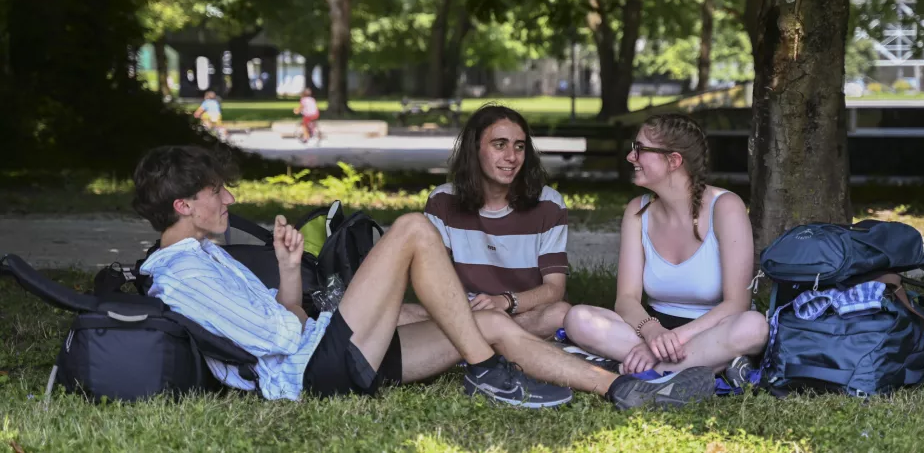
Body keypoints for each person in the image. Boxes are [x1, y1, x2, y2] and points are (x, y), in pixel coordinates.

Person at [131, 145, 718, 409]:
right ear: (183, 206)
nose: (229, 198)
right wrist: (356, 314)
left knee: (483, 322)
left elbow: (289, 320)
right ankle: (488, 372)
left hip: (326, 352)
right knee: (413, 227)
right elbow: (284, 342)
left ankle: (624, 389)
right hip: (315, 371)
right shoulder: (181, 272)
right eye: (215, 192)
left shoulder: (206, 256)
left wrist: (289, 273)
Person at [562, 114, 770, 387]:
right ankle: (693, 369)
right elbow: (626, 299)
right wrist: (652, 333)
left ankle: (649, 372)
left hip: (711, 330)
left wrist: (673, 340)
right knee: (578, 319)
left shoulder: (726, 206)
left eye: (640, 149)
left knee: (754, 327)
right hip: (651, 329)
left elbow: (736, 304)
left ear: (673, 161)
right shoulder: (637, 210)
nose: (630, 157)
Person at [398, 105, 570, 339]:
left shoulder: (549, 203)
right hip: (461, 313)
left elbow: (554, 289)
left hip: (519, 313)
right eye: (499, 145)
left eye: (519, 147)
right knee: (397, 315)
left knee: (561, 313)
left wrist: (504, 302)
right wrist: (465, 311)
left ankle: (464, 346)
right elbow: (431, 282)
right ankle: (501, 343)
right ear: (475, 148)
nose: (511, 156)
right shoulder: (442, 201)